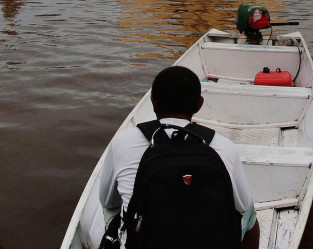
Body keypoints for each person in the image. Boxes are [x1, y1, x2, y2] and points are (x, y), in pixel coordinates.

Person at [99, 66, 260, 249]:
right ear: (199, 104)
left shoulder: (123, 141)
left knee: (112, 208)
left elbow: (107, 201)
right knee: (249, 211)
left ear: (153, 102)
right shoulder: (223, 146)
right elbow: (243, 206)